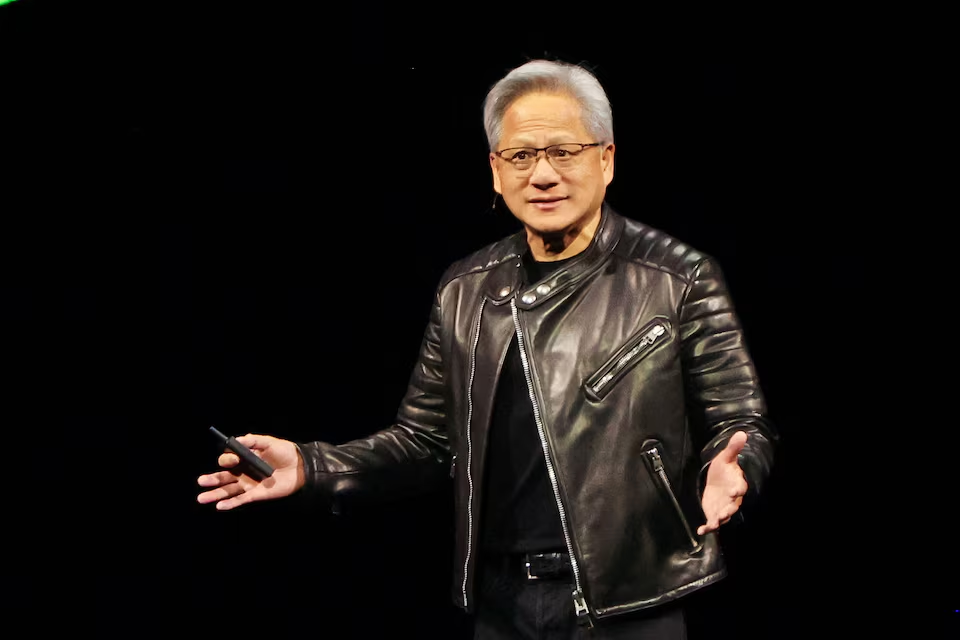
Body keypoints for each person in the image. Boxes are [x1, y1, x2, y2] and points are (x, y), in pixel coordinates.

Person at [197, 59, 777, 639]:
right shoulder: (466, 290)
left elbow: (740, 418)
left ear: (607, 160)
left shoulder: (676, 277)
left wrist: (734, 468)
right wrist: (312, 465)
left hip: (631, 601)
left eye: (564, 151)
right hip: (504, 607)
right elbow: (425, 442)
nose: (542, 174)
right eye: (521, 157)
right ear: (496, 173)